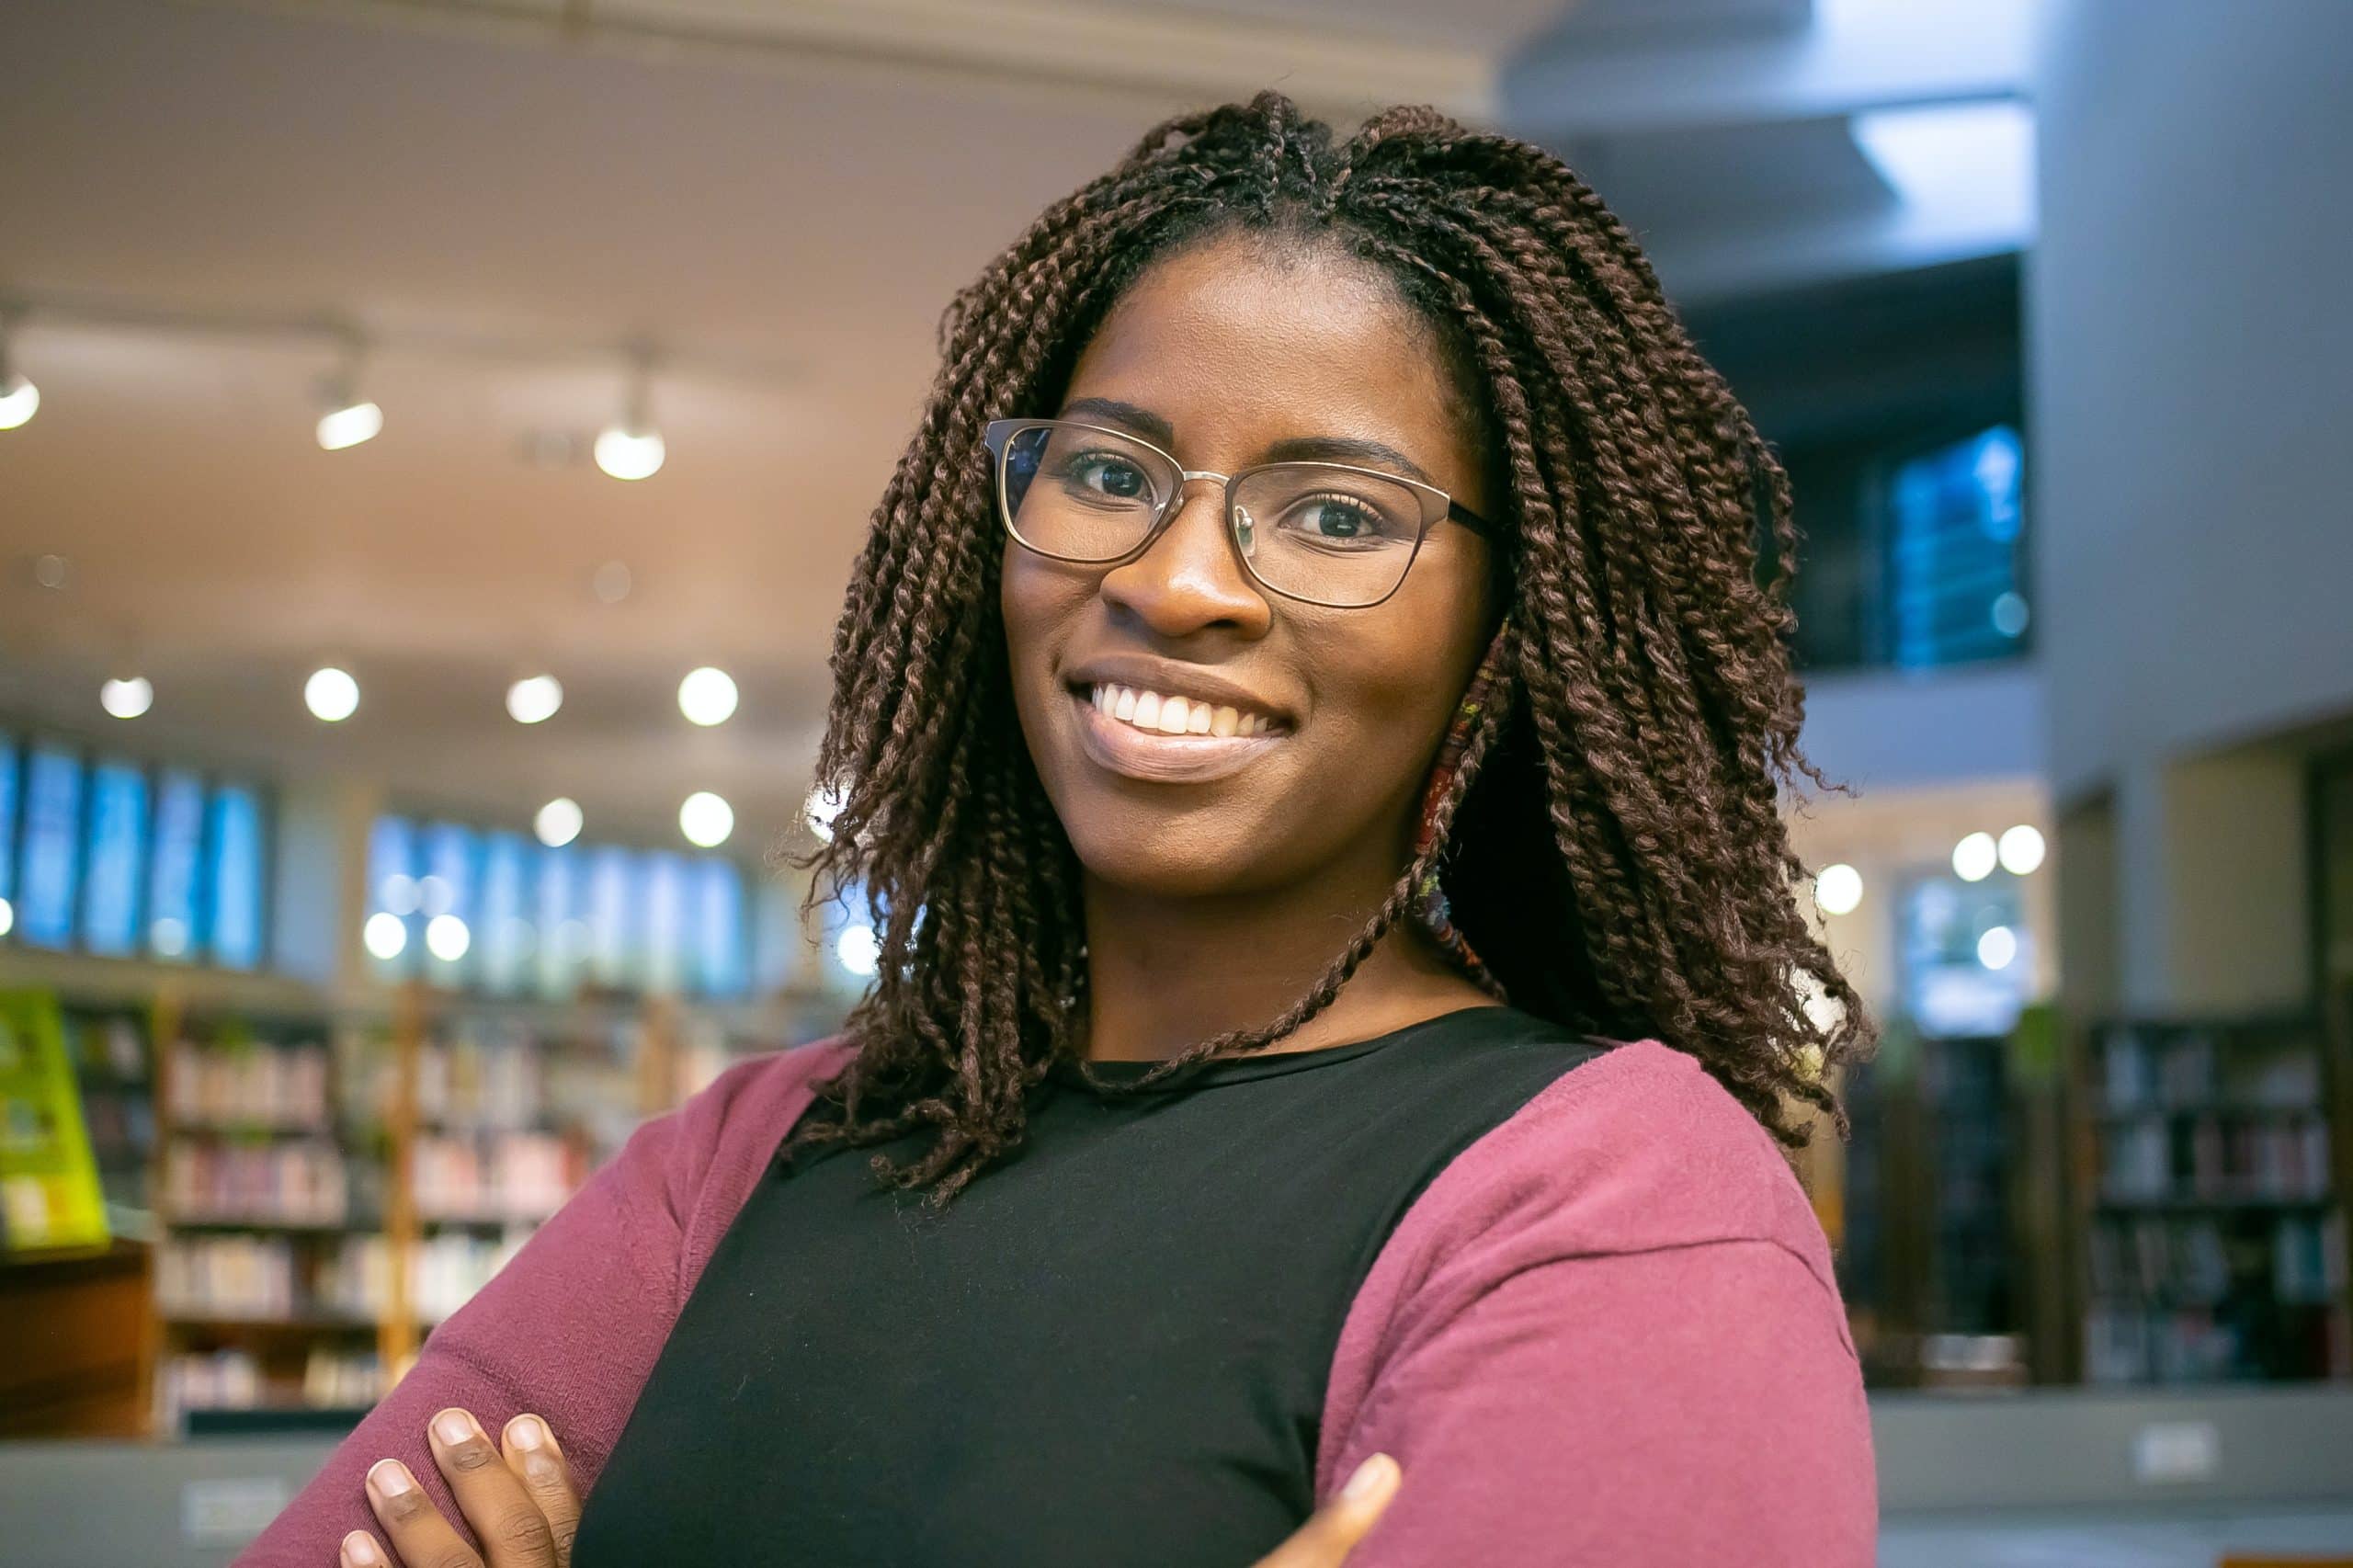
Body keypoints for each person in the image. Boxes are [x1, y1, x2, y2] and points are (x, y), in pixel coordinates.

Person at [242, 91, 1878, 1568]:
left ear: (1513, 629)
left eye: (1334, 515)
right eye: (1111, 471)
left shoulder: (1615, 1199)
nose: (1172, 579)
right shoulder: (752, 1156)